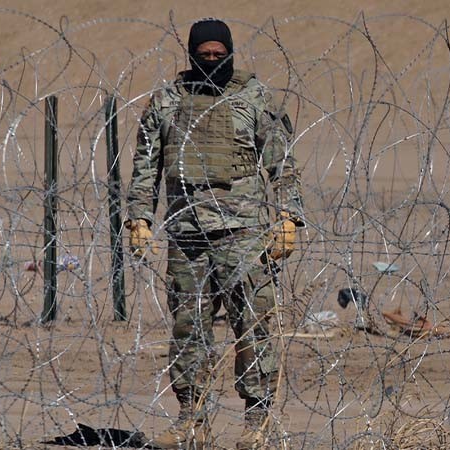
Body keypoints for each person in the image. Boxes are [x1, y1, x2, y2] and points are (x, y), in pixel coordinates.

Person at [125, 18, 304, 449]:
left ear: (229, 54)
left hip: (244, 234)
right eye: (203, 55)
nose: (211, 61)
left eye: (218, 55)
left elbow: (282, 163)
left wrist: (289, 218)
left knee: (254, 327)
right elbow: (145, 165)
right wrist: (139, 218)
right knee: (190, 330)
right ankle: (191, 419)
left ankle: (257, 422)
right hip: (188, 235)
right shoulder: (166, 102)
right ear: (191, 55)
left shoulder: (253, 97)